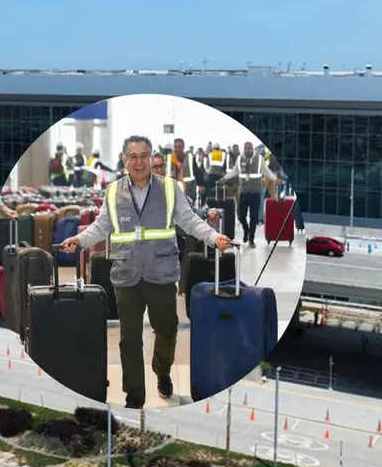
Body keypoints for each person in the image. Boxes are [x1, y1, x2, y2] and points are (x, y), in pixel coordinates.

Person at [61, 136, 233, 408]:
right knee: (129, 339)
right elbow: (102, 225)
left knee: (167, 330)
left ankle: (162, 371)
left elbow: (189, 220)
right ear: (124, 160)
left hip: (161, 272)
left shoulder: (170, 188)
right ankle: (135, 394)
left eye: (143, 156)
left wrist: (213, 237)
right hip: (126, 273)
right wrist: (79, 240)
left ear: (151, 158)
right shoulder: (113, 191)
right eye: (133, 156)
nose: (139, 162)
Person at [218, 142, 282, 247]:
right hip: (243, 192)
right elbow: (234, 171)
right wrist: (224, 178)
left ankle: (251, 239)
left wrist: (275, 179)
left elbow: (266, 171)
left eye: (250, 148)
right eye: (246, 148)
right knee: (241, 216)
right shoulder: (239, 159)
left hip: (256, 192)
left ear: (253, 149)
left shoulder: (259, 159)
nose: (248, 150)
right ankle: (246, 230)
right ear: (244, 149)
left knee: (254, 218)